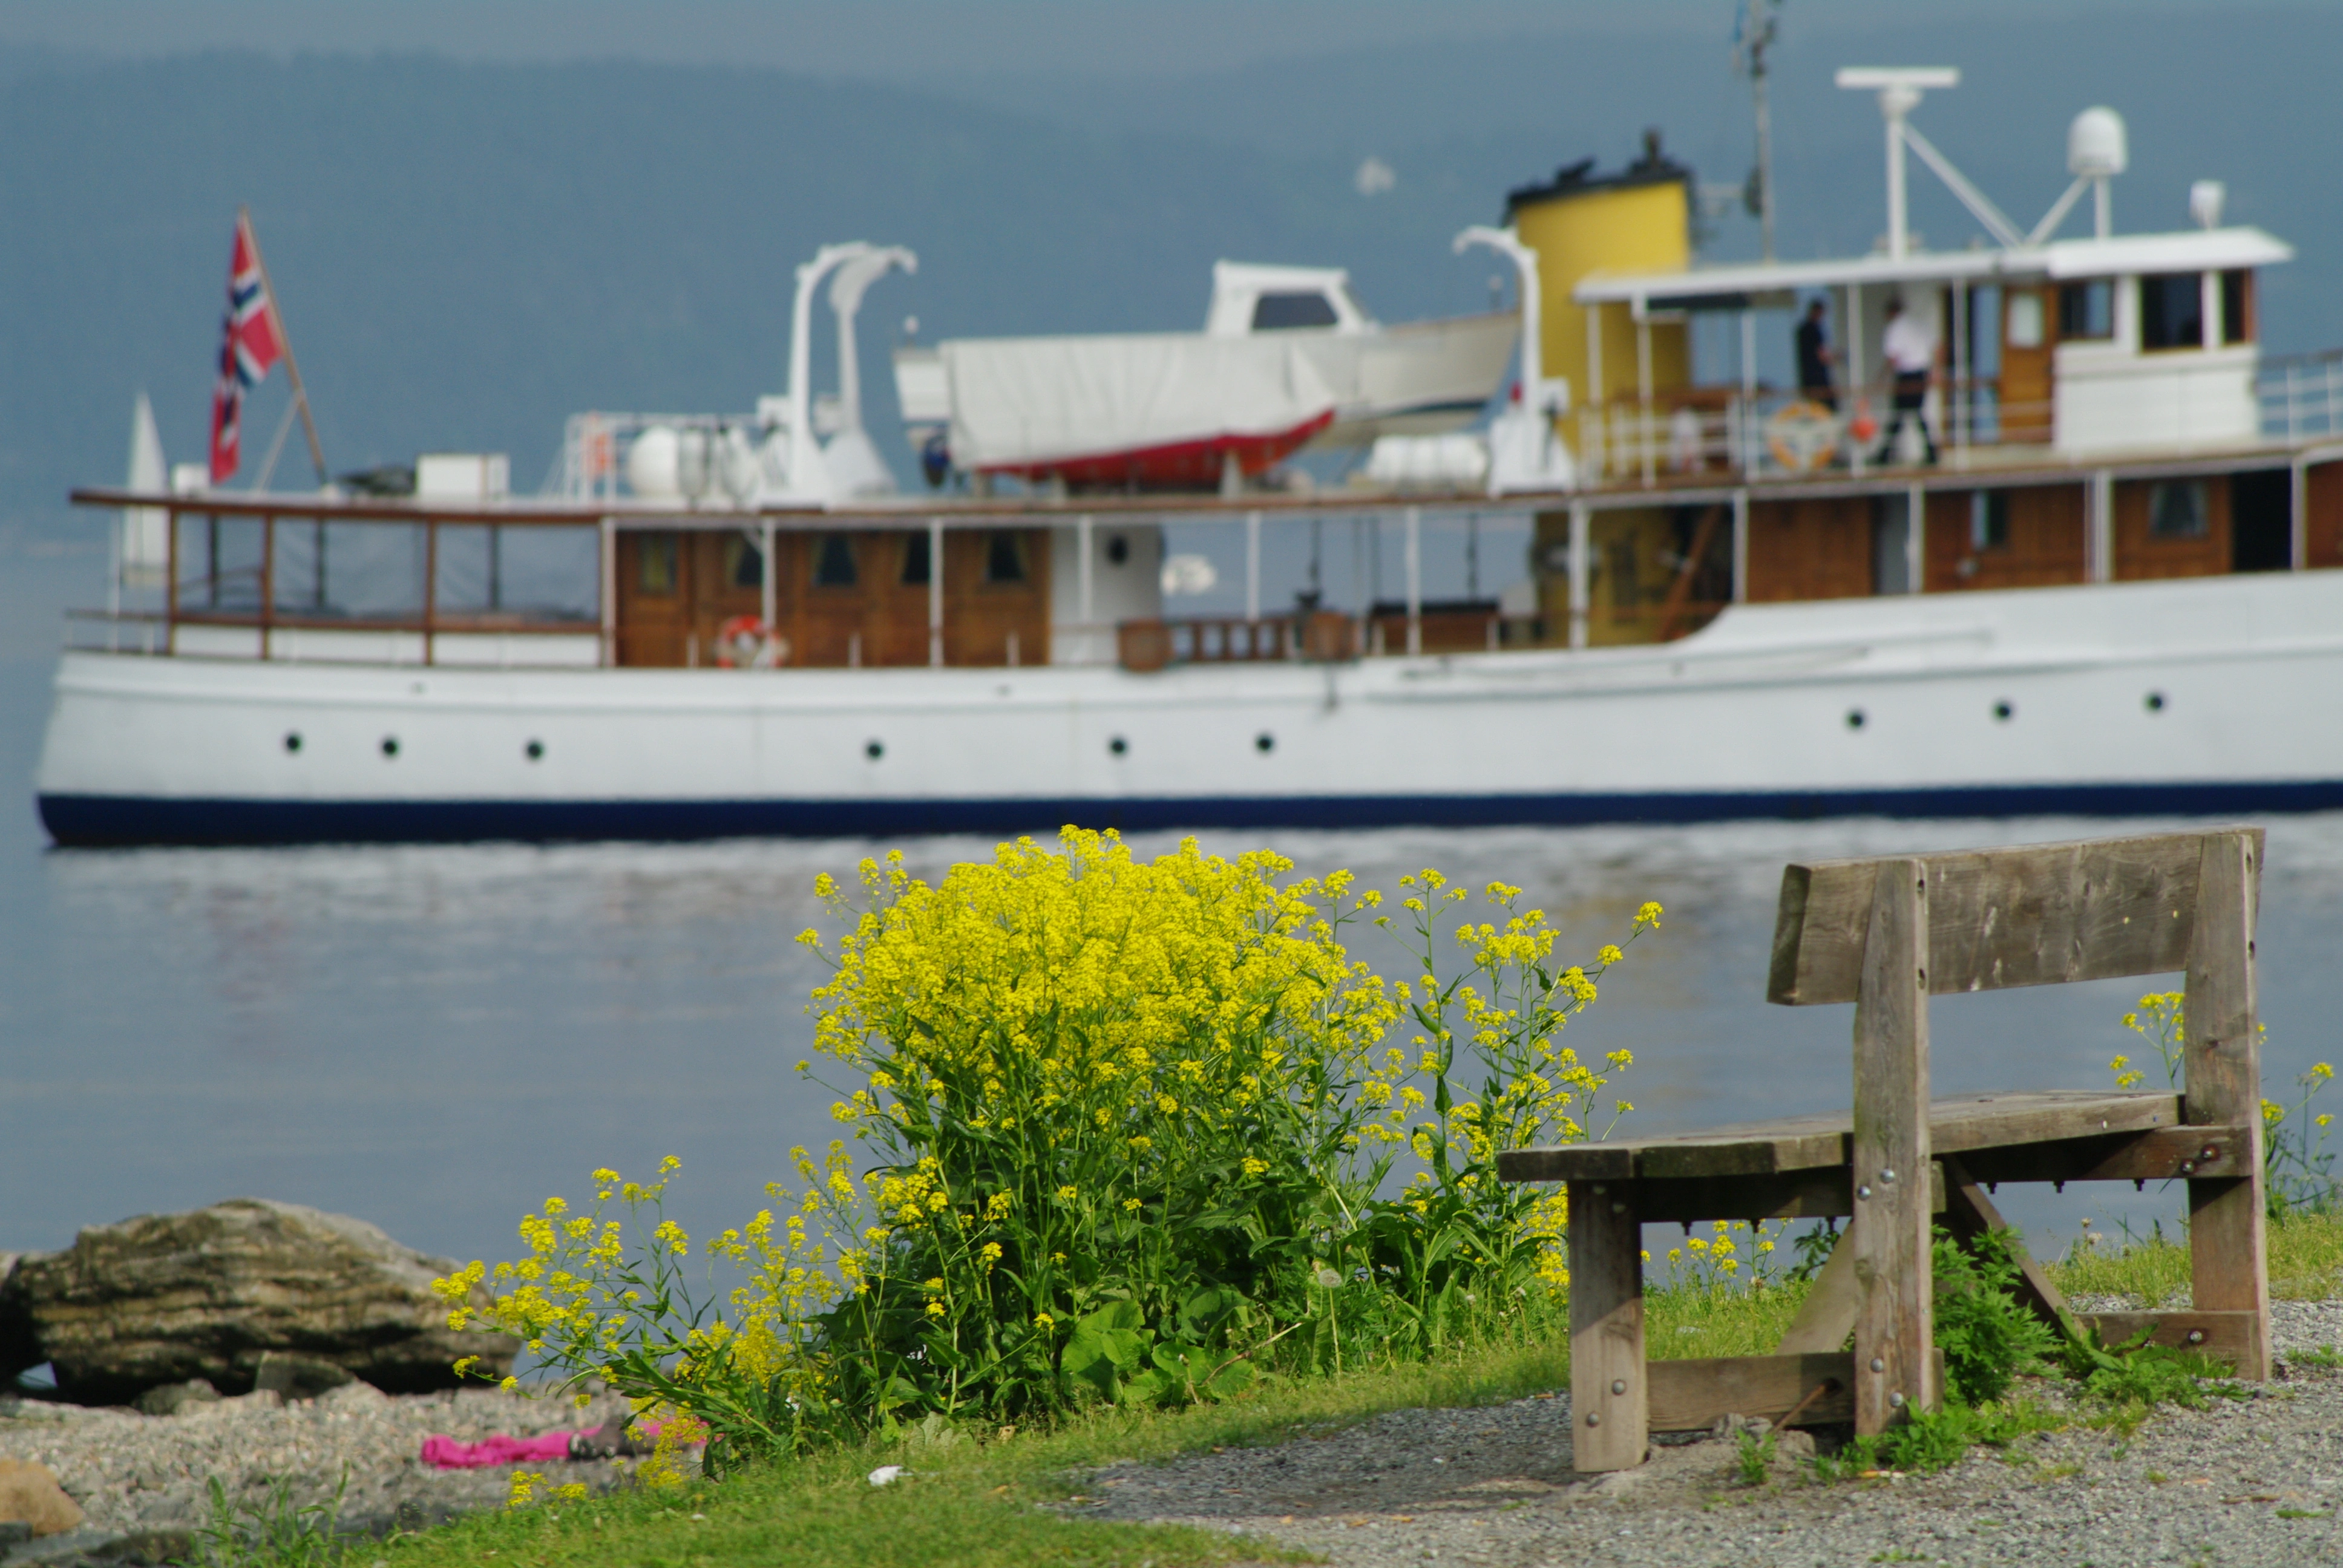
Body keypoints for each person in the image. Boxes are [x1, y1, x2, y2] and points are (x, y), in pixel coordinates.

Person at [1875, 295, 1940, 465]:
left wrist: (1881, 378)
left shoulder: (1895, 328)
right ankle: (1931, 452)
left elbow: (1893, 358)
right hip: (1922, 374)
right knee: (1916, 413)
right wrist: (1935, 370)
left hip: (1907, 375)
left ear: (1891, 312)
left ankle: (1885, 454)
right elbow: (1936, 346)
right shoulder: (1917, 324)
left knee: (1900, 414)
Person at [1794, 298, 1838, 411]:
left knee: (1813, 406)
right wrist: (1836, 358)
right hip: (1817, 378)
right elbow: (1822, 355)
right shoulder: (1813, 330)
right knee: (1829, 405)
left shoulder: (1802, 329)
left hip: (1807, 377)